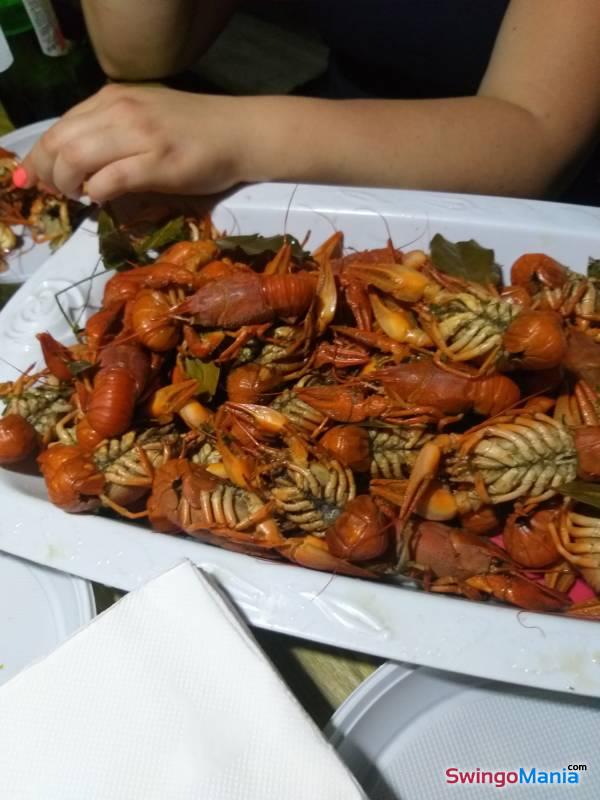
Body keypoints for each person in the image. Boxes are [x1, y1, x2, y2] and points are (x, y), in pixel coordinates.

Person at [18, 0, 600, 205]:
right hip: (326, 154)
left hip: (550, 200)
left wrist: (239, 134)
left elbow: (534, 133)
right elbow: (139, 53)